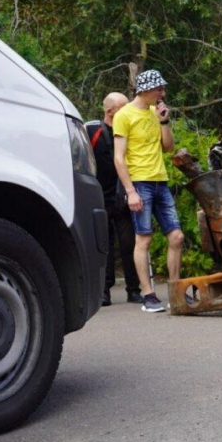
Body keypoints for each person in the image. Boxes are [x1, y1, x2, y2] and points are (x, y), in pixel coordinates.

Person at [113, 70, 184, 313]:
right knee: (143, 238)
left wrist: (164, 122)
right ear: (145, 90)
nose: (163, 93)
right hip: (139, 183)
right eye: (159, 89)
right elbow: (118, 157)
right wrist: (130, 191)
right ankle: (148, 295)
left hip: (160, 181)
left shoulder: (156, 112)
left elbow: (168, 147)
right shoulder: (124, 115)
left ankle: (175, 292)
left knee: (176, 237)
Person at [86, 92, 143, 306]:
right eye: (123, 107)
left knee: (129, 243)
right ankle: (104, 291)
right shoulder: (92, 129)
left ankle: (134, 289)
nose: (128, 110)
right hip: (99, 197)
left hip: (125, 195)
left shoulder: (129, 128)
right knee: (105, 245)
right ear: (109, 111)